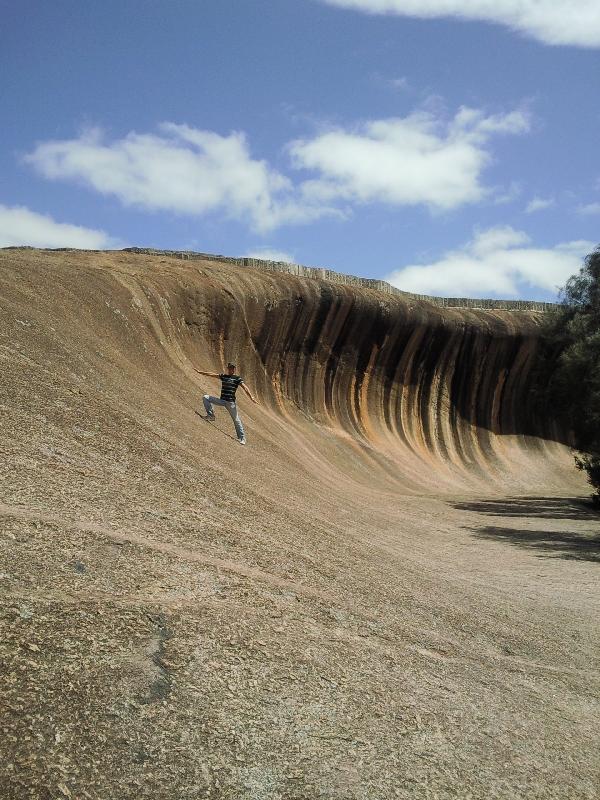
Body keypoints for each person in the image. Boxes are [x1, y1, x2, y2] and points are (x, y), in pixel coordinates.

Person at [194, 362, 258, 445]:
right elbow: (212, 374)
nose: (232, 369)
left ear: (234, 369)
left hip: (230, 403)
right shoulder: (224, 376)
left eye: (233, 368)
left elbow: (245, 388)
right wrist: (200, 372)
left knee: (236, 420)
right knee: (205, 397)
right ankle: (211, 416)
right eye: (230, 368)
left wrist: (251, 397)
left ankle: (242, 438)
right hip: (222, 401)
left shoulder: (237, 378)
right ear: (228, 369)